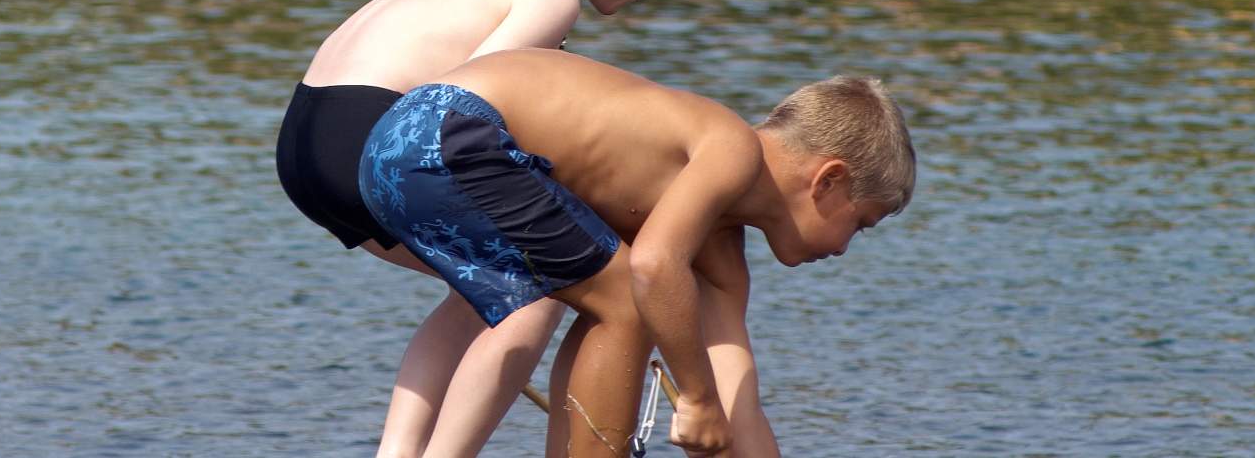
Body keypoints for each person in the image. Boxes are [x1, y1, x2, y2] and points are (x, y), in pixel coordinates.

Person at [276, 0, 713, 457]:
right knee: (536, 285)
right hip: (375, 128)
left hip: (311, 138)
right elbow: (458, 115)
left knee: (479, 287)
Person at [359, 48, 916, 458]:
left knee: (621, 303)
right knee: (633, 295)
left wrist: (713, 406)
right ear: (828, 181)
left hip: (404, 146)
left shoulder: (721, 256)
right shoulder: (731, 149)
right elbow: (652, 268)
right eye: (860, 224)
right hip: (441, 131)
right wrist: (695, 398)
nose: (844, 249)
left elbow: (737, 406)